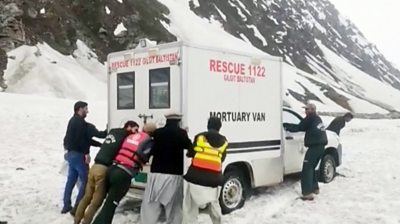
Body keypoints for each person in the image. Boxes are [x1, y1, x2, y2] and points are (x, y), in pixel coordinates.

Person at [74, 121, 139, 224]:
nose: (136, 132)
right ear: (129, 127)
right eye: (135, 129)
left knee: (87, 196)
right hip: (103, 169)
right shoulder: (126, 137)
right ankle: (86, 222)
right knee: (96, 202)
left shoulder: (113, 132)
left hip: (94, 166)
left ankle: (76, 220)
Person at [92, 122, 157, 224]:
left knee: (107, 203)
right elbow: (145, 155)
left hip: (112, 169)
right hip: (123, 174)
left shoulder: (131, 136)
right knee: (110, 205)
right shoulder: (149, 142)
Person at [140, 111, 193, 224]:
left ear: (167, 120)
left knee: (151, 205)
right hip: (173, 175)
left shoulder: (158, 132)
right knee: (173, 207)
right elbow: (190, 148)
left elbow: (152, 148)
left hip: (155, 174)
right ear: (178, 121)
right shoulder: (181, 133)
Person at [61, 101, 107, 214]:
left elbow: (81, 139)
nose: (87, 111)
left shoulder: (72, 121)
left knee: (71, 180)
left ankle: (66, 205)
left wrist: (99, 145)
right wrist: (86, 153)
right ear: (80, 109)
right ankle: (77, 207)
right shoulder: (82, 124)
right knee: (85, 181)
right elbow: (83, 140)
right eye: (86, 109)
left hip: (71, 154)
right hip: (79, 155)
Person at [183, 117, 228, 224]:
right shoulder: (224, 141)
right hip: (214, 180)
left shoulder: (200, 137)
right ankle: (218, 221)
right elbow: (222, 159)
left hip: (195, 177)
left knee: (189, 205)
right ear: (219, 127)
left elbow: (190, 153)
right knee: (214, 203)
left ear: (208, 125)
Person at [283, 103, 327, 200]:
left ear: (312, 110)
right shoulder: (317, 118)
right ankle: (315, 188)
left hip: (314, 147)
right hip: (321, 147)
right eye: (305, 109)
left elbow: (299, 127)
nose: (305, 111)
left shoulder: (310, 118)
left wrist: (285, 125)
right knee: (313, 168)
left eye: (307, 109)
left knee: (307, 169)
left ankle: (307, 193)